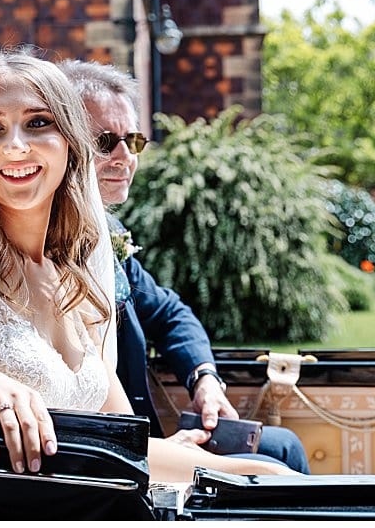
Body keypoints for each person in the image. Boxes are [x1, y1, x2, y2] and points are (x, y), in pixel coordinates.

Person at [0, 49, 297, 482]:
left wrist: (240, 472)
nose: (15, 146)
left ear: (71, 145)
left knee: (275, 470)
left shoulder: (71, 278)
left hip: (97, 499)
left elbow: (122, 445)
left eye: (38, 123)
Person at [58, 58, 310, 474]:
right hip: (105, 457)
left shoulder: (108, 233)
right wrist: (164, 448)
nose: (125, 157)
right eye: (105, 142)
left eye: (133, 141)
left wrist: (204, 379)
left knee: (283, 445)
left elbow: (170, 313)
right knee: (280, 458)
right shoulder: (44, 253)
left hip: (144, 436)